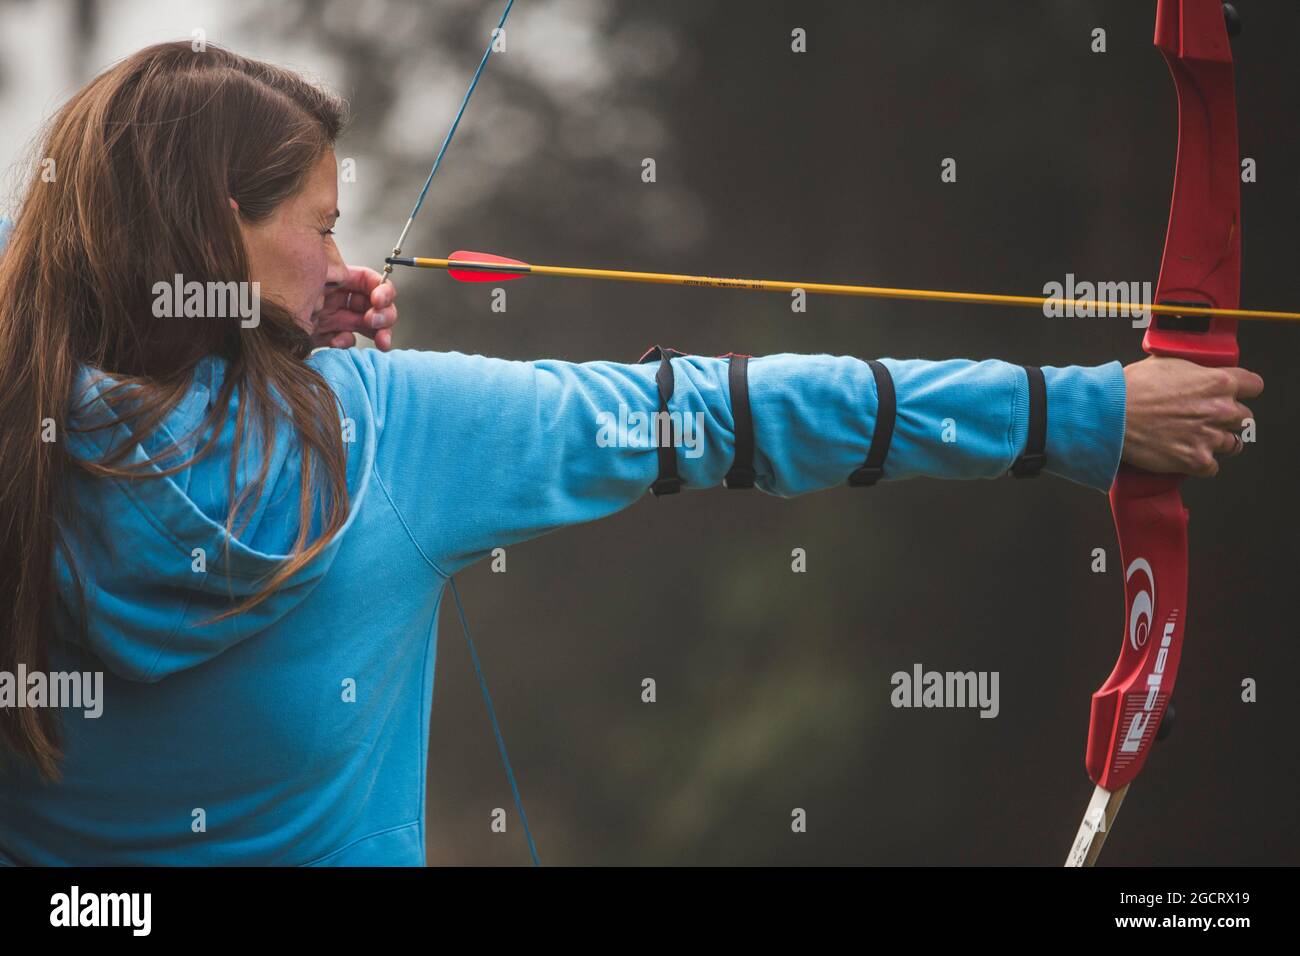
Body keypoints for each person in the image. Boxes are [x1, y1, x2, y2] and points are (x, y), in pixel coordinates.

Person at [0, 42, 1262, 865]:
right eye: (321, 229)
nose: (347, 267)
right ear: (220, 226)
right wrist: (1082, 413)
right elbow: (723, 412)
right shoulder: (385, 430)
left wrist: (268, 341)